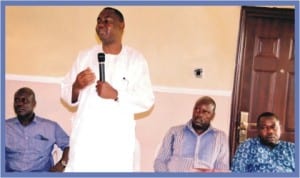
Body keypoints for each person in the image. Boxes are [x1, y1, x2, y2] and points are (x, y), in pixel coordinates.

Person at [61, 7, 154, 172]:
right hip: (85, 144)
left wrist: (116, 95)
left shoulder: (135, 59)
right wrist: (76, 87)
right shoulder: (84, 56)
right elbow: (66, 92)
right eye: (98, 21)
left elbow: (146, 100)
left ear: (121, 25)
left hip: (115, 147)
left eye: (107, 21)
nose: (101, 25)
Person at [153, 96, 229, 172]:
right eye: (197, 109)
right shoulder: (175, 132)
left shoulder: (220, 137)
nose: (199, 115)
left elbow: (222, 169)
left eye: (205, 112)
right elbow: (160, 161)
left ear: (212, 115)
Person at [5, 87, 70, 172]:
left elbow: (69, 146)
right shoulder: (5, 127)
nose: (20, 104)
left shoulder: (50, 127)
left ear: (34, 104)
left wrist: (62, 164)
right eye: (17, 100)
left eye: (25, 101)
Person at [231, 112, 295, 172]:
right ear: (258, 130)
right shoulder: (247, 146)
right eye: (264, 128)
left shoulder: (292, 148)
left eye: (274, 127)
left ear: (280, 128)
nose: (270, 131)